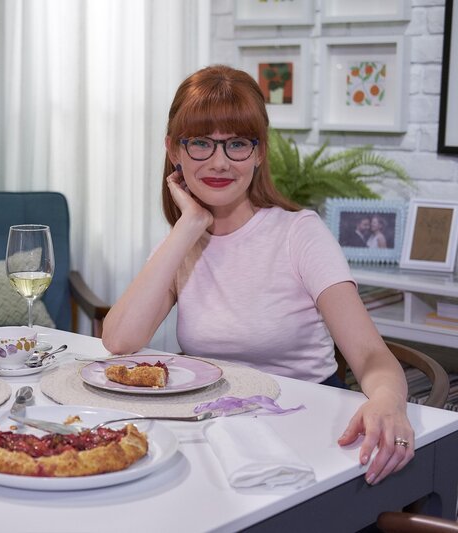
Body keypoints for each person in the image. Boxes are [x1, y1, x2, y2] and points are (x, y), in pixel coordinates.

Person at [101, 65, 413, 485]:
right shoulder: (182, 239)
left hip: (307, 426)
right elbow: (119, 340)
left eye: (237, 145)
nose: (219, 162)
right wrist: (189, 226)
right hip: (217, 431)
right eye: (200, 144)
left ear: (260, 152)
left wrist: (389, 400)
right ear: (173, 150)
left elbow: (372, 357)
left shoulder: (299, 233)